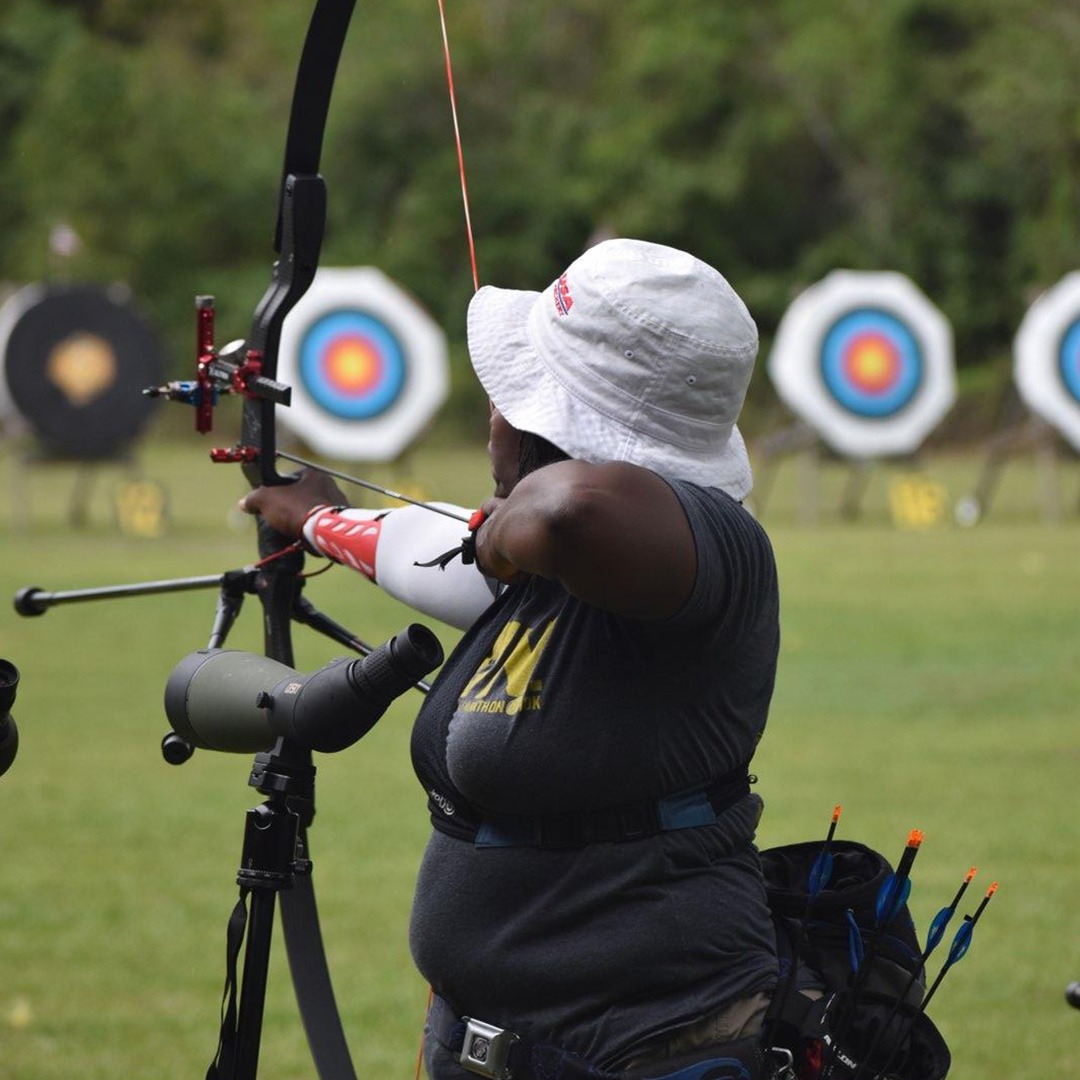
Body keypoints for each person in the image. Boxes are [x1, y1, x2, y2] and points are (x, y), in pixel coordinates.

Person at [240, 238, 781, 1079]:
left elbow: (567, 512)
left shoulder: (715, 549)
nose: (494, 412)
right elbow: (432, 547)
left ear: (544, 426)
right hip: (501, 1041)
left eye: (512, 395)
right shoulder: (565, 574)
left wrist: (499, 541)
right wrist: (318, 521)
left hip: (647, 1047)